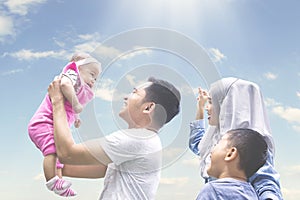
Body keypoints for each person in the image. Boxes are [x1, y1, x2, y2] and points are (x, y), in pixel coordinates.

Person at [47, 76, 181, 199]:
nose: (126, 97)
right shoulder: (147, 140)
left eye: (135, 92)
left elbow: (67, 153)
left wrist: (57, 102)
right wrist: (57, 167)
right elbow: (102, 168)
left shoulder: (137, 138)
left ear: (148, 107)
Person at [189, 77, 283, 200]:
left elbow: (267, 186)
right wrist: (199, 108)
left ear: (228, 103)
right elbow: (197, 145)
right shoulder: (219, 138)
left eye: (211, 101)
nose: (207, 107)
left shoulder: (250, 145)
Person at [28, 52, 101, 197]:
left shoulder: (78, 85)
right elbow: (65, 85)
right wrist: (77, 105)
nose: (93, 80)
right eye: (91, 74)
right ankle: (52, 181)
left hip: (49, 125)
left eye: (96, 78)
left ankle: (59, 184)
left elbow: (69, 104)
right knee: (53, 152)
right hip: (43, 123)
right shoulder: (70, 75)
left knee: (60, 155)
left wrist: (76, 116)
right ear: (77, 66)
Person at [196, 128, 268, 199]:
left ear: (230, 154)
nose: (211, 151)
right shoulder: (252, 193)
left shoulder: (212, 190)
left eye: (217, 144)